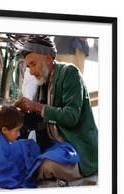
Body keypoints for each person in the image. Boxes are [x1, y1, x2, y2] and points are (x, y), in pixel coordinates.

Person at [15, 35, 98, 182]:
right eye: (28, 67)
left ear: (47, 58)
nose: (31, 72)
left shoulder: (70, 73)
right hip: (54, 146)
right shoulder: (42, 82)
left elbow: (71, 117)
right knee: (20, 155)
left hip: (76, 146)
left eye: (33, 64)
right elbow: (39, 121)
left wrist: (36, 106)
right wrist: (19, 115)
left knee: (46, 166)